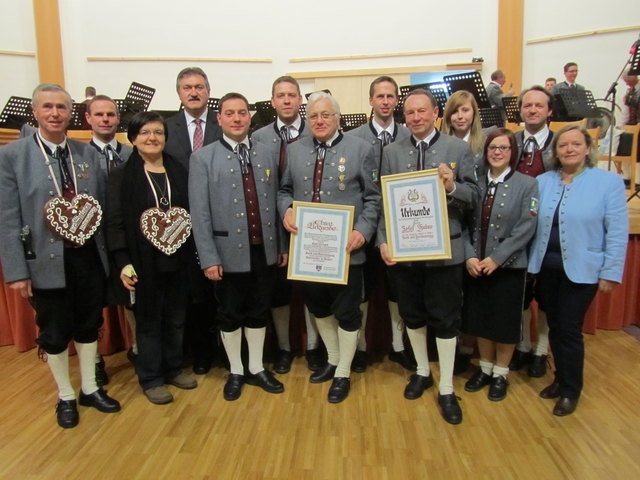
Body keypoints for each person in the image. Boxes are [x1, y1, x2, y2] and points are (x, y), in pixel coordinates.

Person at [0, 84, 120, 428]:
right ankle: (65, 394)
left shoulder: (89, 155)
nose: (55, 113)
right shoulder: (12, 156)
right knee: (53, 331)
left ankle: (90, 388)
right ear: (35, 113)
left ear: (72, 114)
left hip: (87, 258)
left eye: (61, 107)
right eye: (47, 107)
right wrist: (16, 271)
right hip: (43, 262)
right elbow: (7, 217)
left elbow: (101, 210)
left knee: (88, 324)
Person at [378, 88, 479, 425]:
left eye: (422, 111)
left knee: (446, 318)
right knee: (413, 314)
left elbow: (474, 196)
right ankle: (422, 371)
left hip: (445, 252)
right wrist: (382, 241)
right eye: (410, 113)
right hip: (405, 253)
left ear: (436, 112)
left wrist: (451, 187)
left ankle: (447, 386)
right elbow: (381, 200)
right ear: (403, 117)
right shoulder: (391, 151)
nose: (416, 117)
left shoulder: (458, 148)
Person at [278, 92, 380, 403]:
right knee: (318, 307)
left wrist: (363, 231)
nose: (319, 121)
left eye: (326, 115)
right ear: (306, 120)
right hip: (308, 253)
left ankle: (344, 372)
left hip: (347, 251)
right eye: (313, 116)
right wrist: (286, 210)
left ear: (338, 118)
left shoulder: (362, 148)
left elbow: (374, 199)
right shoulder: (294, 151)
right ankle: (334, 361)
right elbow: (284, 190)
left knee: (348, 313)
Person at [190, 92, 286, 401]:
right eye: (229, 113)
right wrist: (208, 257)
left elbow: (276, 200)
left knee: (259, 311)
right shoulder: (202, 158)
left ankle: (257, 367)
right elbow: (199, 212)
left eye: (242, 113)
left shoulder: (267, 152)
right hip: (225, 254)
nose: (236, 118)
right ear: (218, 120)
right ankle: (235, 370)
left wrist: (281, 246)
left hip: (264, 250)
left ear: (250, 117)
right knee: (230, 314)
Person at [528, 125, 628, 416]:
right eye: (563, 145)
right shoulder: (543, 181)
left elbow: (618, 232)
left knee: (569, 329)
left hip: (583, 271)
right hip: (546, 268)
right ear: (555, 151)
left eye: (575, 144)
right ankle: (560, 378)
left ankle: (572, 389)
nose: (569, 149)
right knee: (555, 326)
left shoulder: (607, 183)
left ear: (587, 149)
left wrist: (611, 271)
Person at [107, 111, 198, 405]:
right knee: (148, 321)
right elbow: (115, 221)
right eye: (145, 132)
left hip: (178, 257)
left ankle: (173, 368)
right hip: (141, 262)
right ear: (133, 138)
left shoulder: (179, 170)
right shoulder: (122, 175)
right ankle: (151, 377)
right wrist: (122, 261)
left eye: (158, 132)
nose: (152, 138)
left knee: (176, 318)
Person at [462, 128, 538, 402]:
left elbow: (526, 228)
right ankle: (484, 368)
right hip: (476, 266)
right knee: (481, 319)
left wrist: (497, 258)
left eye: (504, 148)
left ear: (512, 152)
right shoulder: (476, 182)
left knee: (504, 324)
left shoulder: (527, 184)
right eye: (493, 147)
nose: (497, 152)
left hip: (509, 267)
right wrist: (469, 255)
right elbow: (465, 223)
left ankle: (500, 373)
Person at [251, 76, 319, 374]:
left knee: (312, 290)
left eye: (292, 95)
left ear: (300, 100)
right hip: (272, 227)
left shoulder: (317, 130)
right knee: (278, 293)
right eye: (281, 95)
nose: (287, 100)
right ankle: (284, 348)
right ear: (273, 101)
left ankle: (315, 347)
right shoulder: (259, 137)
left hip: (312, 226)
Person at [348, 76, 414, 372]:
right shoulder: (354, 137)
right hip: (363, 225)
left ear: (396, 100)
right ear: (371, 101)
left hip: (400, 226)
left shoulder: (409, 133)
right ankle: (360, 347)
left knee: (397, 289)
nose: (386, 101)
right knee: (361, 290)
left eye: (391, 96)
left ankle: (399, 347)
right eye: (380, 96)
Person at [164, 66, 222, 375]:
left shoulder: (224, 122)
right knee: (193, 292)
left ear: (208, 91)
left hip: (221, 220)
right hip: (180, 224)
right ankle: (200, 351)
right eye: (187, 87)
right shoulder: (165, 128)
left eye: (199, 86)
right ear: (179, 93)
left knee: (221, 290)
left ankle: (225, 351)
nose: (194, 92)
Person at [85, 94, 135, 383]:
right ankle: (93, 360)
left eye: (111, 115)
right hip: (92, 242)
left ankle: (139, 348)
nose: (106, 119)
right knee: (93, 303)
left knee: (133, 299)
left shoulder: (131, 154)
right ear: (89, 119)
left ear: (118, 119)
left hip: (124, 240)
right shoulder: (80, 155)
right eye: (99, 115)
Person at [509, 86, 556, 378]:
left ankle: (542, 350)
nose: (533, 110)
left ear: (549, 111)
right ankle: (524, 346)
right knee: (522, 293)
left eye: (539, 106)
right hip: (515, 228)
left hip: (547, 228)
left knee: (547, 295)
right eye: (527, 106)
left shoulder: (559, 142)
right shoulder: (510, 141)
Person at [441, 90, 487, 373]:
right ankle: (456, 349)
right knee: (452, 298)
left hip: (477, 222)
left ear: (474, 114)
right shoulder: (441, 145)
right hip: (452, 227)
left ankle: (472, 348)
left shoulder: (485, 145)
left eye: (466, 111)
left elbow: (475, 193)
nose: (460, 116)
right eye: (455, 112)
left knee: (475, 296)